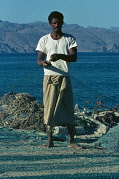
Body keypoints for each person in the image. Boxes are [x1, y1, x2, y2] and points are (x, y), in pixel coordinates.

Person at [36, 11, 82, 148]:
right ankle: (50, 140)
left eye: (59, 22)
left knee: (67, 107)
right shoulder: (44, 39)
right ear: (50, 24)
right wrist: (44, 63)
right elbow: (39, 59)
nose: (57, 25)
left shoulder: (70, 39)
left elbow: (74, 57)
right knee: (49, 108)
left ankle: (71, 141)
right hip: (49, 78)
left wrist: (61, 56)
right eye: (54, 22)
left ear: (62, 22)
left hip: (64, 77)